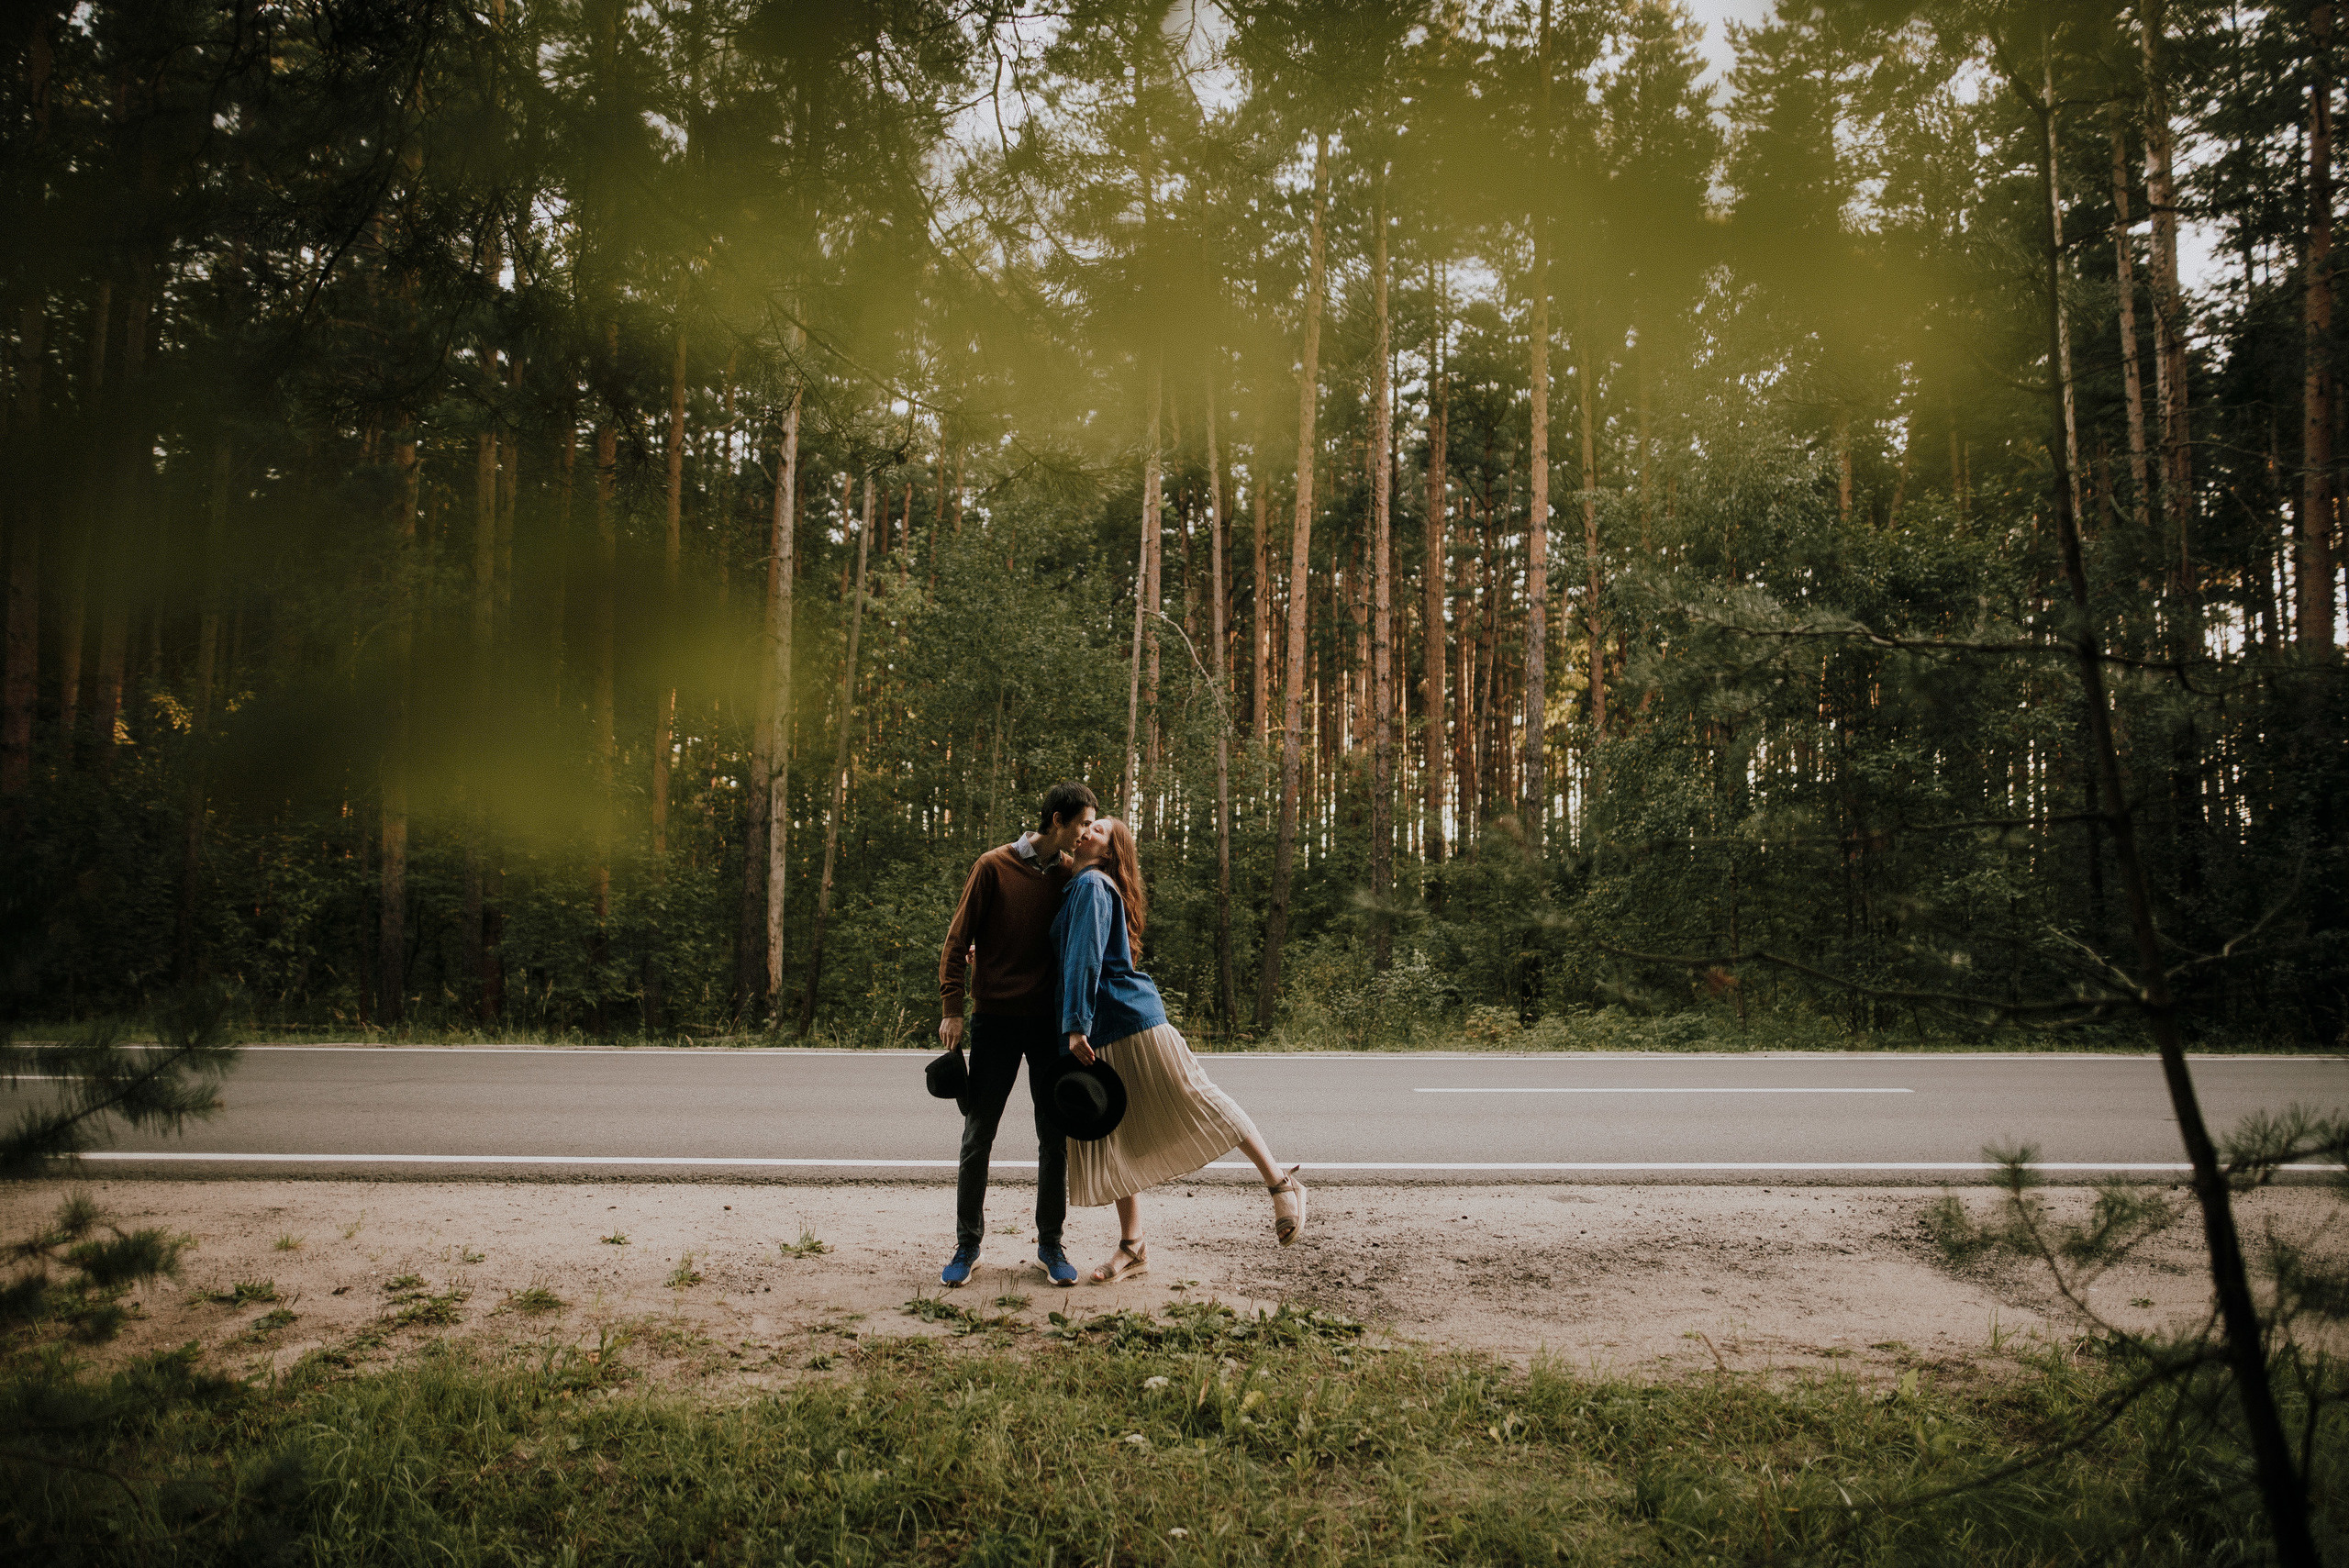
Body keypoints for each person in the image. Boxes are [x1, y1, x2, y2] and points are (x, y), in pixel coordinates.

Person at [1054, 817, 1304, 1284]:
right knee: (1114, 1134)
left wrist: (1073, 1025)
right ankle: (1134, 1246)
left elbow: (1086, 956)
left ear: (1109, 852)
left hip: (1129, 1021)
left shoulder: (1091, 883)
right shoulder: (1076, 885)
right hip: (1102, 1030)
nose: (1086, 831)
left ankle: (1280, 1183)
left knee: (1199, 1098)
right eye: (1085, 825)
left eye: (1099, 830)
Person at [936, 780, 1099, 1288]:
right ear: (1057, 820)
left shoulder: (1072, 877)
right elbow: (957, 939)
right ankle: (968, 1245)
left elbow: (1082, 942)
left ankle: (1050, 1245)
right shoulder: (993, 867)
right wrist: (952, 1009)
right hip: (994, 1020)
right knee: (978, 1134)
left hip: (1048, 1025)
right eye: (1082, 824)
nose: (1086, 834)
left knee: (1054, 1138)